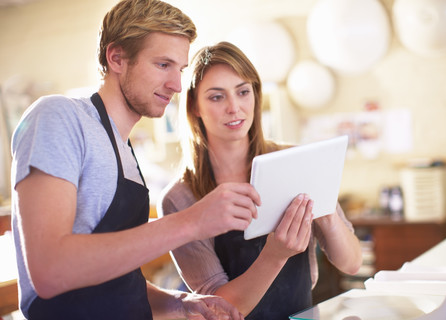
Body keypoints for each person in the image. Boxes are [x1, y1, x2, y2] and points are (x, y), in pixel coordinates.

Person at [10, 1, 261, 319]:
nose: (177, 85)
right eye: (163, 65)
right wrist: (191, 221)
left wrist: (177, 303)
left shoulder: (125, 151)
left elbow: (112, 276)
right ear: (116, 57)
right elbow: (50, 270)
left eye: (179, 69)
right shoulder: (59, 116)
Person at [159, 41, 363, 319]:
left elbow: (351, 264)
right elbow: (217, 308)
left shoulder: (297, 160)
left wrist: (324, 208)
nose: (234, 107)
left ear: (255, 95)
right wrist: (275, 254)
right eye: (217, 97)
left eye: (243, 92)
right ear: (194, 105)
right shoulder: (180, 198)